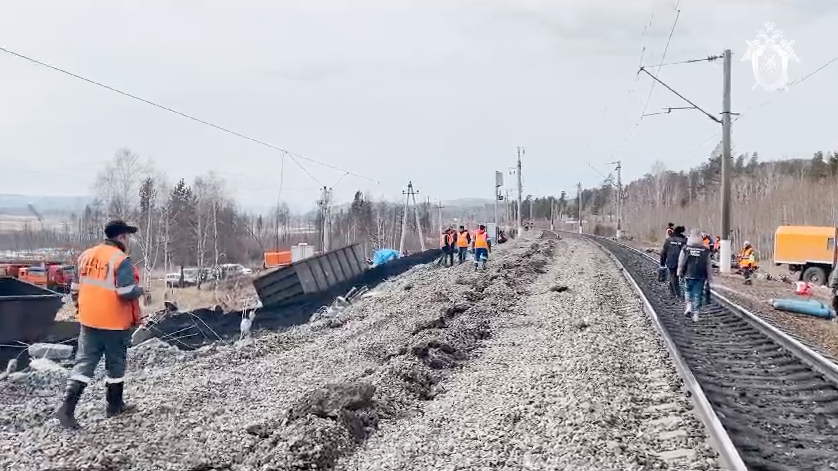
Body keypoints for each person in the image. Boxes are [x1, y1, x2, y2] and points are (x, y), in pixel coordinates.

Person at [56, 220, 144, 428]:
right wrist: (141, 290)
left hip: (89, 321)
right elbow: (125, 292)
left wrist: (83, 308)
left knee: (84, 363)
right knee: (115, 364)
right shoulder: (121, 259)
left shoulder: (85, 256)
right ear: (122, 237)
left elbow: (75, 290)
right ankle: (114, 406)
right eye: (127, 236)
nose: (129, 240)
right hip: (114, 322)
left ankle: (67, 410)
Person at [678, 229, 713, 322]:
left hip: (688, 274)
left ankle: (689, 305)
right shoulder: (705, 251)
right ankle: (696, 314)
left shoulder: (686, 249)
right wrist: (709, 278)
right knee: (697, 294)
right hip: (701, 275)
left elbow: (681, 262)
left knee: (687, 290)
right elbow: (708, 265)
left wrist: (679, 272)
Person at [660, 225, 687, 299]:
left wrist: (662, 262)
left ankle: (675, 293)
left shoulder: (669, 240)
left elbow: (664, 252)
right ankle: (682, 293)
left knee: (673, 277)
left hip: (671, 261)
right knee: (682, 277)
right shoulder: (684, 240)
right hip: (683, 262)